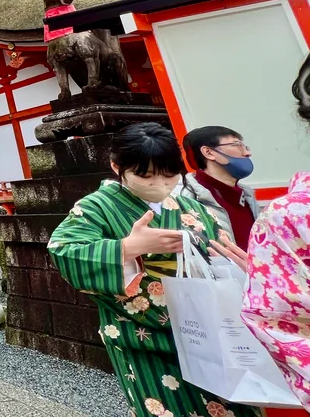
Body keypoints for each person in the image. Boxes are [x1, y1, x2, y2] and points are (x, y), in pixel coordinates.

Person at [49, 122, 257, 417]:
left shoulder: (191, 209)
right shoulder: (96, 207)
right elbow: (64, 250)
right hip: (144, 335)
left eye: (170, 174)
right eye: (145, 175)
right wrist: (127, 247)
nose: (159, 183)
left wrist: (244, 268)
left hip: (210, 332)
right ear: (116, 166)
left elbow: (222, 254)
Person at [236, 53, 310, 408]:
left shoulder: (251, 196)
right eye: (236, 147)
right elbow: (285, 323)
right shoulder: (288, 215)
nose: (246, 152)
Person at [176, 125, 259, 248]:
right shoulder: (186, 199)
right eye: (237, 145)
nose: (247, 153)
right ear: (208, 152)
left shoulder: (246, 196)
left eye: (245, 147)